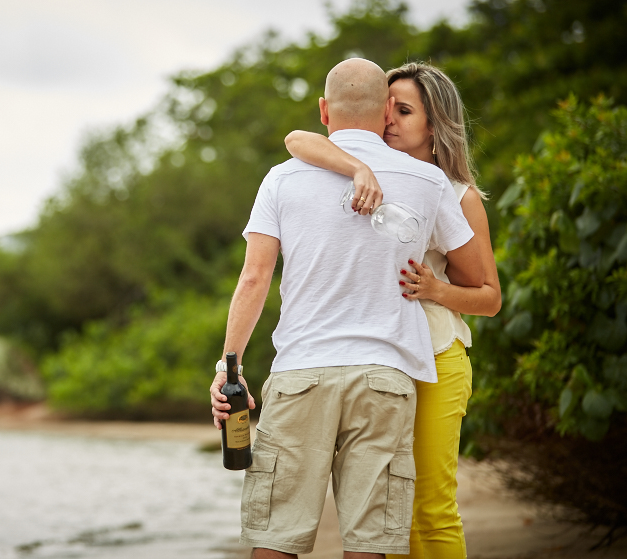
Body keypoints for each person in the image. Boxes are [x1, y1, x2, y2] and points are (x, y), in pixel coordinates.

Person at [210, 58, 484, 559]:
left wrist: (228, 367)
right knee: (370, 543)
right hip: (387, 376)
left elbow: (254, 278)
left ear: (323, 109)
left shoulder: (281, 179)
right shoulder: (429, 183)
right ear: (384, 111)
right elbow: (477, 274)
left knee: (274, 538)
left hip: (301, 373)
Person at [283, 61, 502, 559]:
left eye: (403, 111)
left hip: (438, 357)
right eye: (386, 109)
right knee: (387, 513)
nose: (388, 121)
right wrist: (356, 166)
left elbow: (489, 296)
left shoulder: (456, 194)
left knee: (429, 506)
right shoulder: (368, 172)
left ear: (435, 124)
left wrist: (435, 289)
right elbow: (298, 138)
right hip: (384, 363)